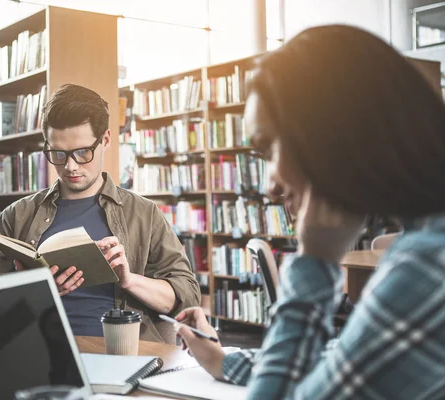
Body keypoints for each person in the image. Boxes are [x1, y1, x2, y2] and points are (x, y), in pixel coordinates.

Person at [175, 25, 445, 399]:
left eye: (270, 148)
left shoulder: (428, 265)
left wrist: (317, 261)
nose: (269, 184)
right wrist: (222, 361)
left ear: (331, 132)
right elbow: (338, 358)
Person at [0, 84, 201, 344]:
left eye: (82, 152)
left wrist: (129, 280)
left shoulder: (144, 214)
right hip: (41, 351)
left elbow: (187, 298)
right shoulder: (16, 216)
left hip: (124, 355)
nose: (70, 166)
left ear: (106, 140)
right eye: (58, 153)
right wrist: (36, 295)